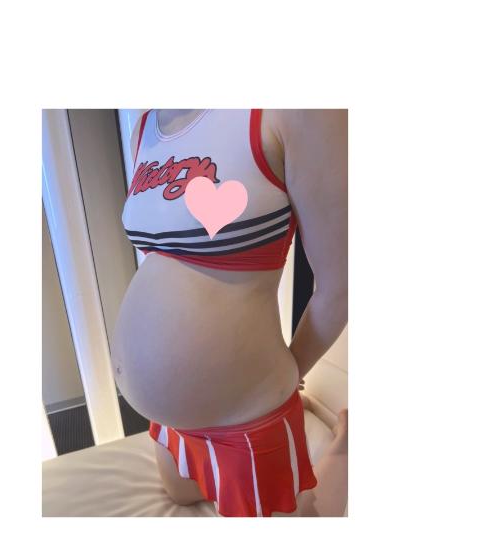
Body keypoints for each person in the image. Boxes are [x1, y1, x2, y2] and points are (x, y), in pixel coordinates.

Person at [111, 109, 347, 517]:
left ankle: (346, 444)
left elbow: (342, 284)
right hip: (172, 423)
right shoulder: (144, 130)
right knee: (180, 493)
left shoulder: (290, 112)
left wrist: (288, 372)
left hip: (246, 410)